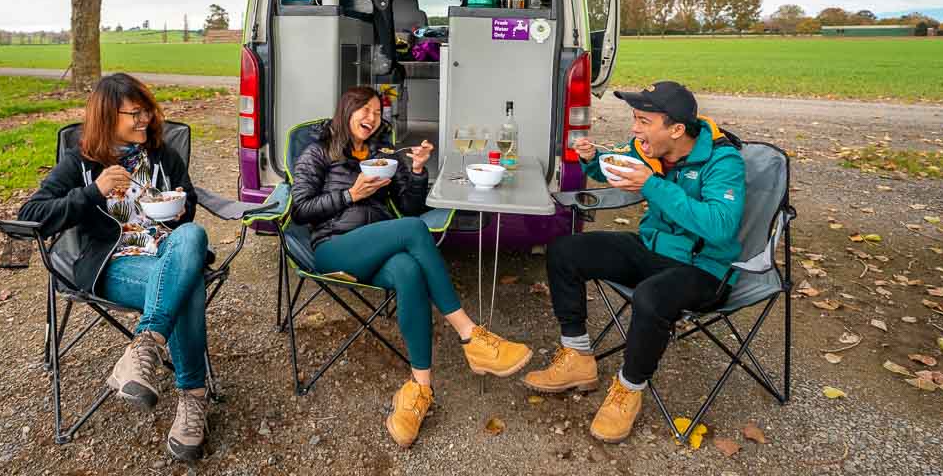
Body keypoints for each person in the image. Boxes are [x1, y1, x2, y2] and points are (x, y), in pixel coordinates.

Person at [291, 85, 533, 448]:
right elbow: (300, 210)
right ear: (346, 111)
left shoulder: (383, 154)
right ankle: (471, 335)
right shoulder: (319, 152)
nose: (371, 119)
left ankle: (420, 389)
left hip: (382, 250)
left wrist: (417, 170)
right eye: (364, 110)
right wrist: (350, 195)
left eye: (377, 112)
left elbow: (410, 208)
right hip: (334, 249)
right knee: (413, 232)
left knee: (408, 269)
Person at [522, 81, 746, 443]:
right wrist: (593, 157)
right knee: (565, 251)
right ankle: (578, 358)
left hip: (703, 268)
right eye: (635, 119)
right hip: (652, 248)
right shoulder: (647, 148)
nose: (635, 130)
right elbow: (615, 169)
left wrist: (653, 186)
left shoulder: (723, 161)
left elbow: (720, 228)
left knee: (650, 297)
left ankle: (629, 388)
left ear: (675, 129)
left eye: (643, 121)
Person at [18, 73, 210, 461]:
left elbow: (186, 208)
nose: (147, 121)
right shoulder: (80, 164)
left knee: (193, 237)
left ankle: (145, 346)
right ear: (108, 116)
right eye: (135, 114)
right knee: (187, 286)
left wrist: (176, 206)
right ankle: (194, 397)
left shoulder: (164, 157)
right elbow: (30, 214)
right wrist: (94, 191)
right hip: (115, 265)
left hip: (167, 252)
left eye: (148, 112)